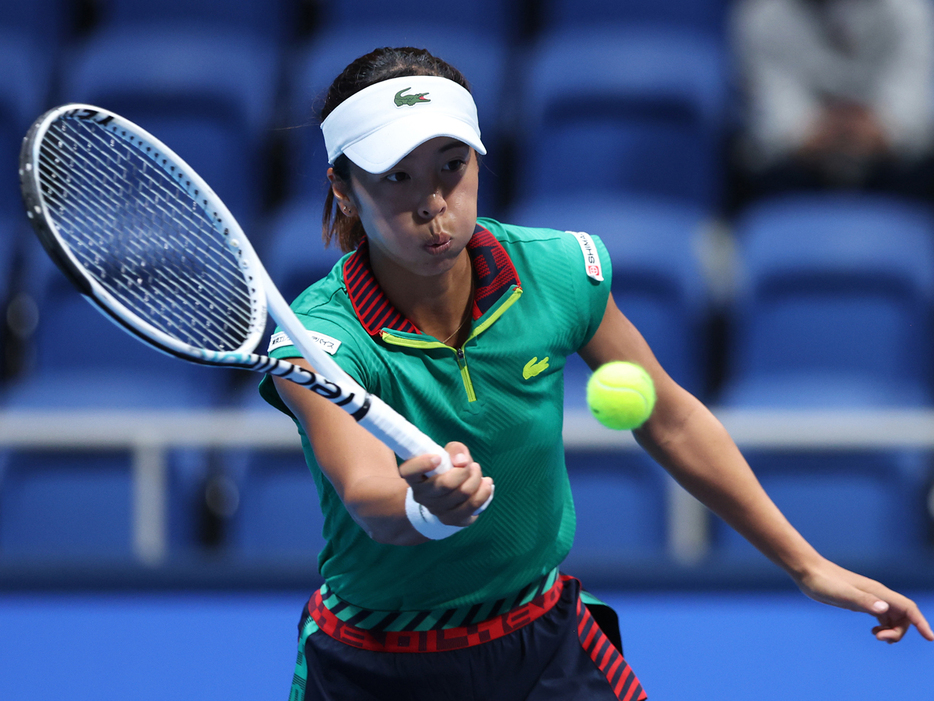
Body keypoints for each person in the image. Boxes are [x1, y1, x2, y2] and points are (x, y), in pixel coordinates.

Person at [259, 47, 932, 701]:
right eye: (396, 177)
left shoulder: (556, 273)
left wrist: (807, 565)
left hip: (540, 639)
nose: (434, 203)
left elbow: (669, 418)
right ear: (344, 190)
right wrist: (424, 508)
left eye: (451, 166)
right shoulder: (318, 341)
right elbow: (367, 491)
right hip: (376, 663)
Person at [729, 0, 934, 206]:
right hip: (796, 170)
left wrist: (876, 131)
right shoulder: (763, 15)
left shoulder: (909, 10)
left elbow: (911, 113)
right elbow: (776, 116)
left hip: (892, 168)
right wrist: (816, 134)